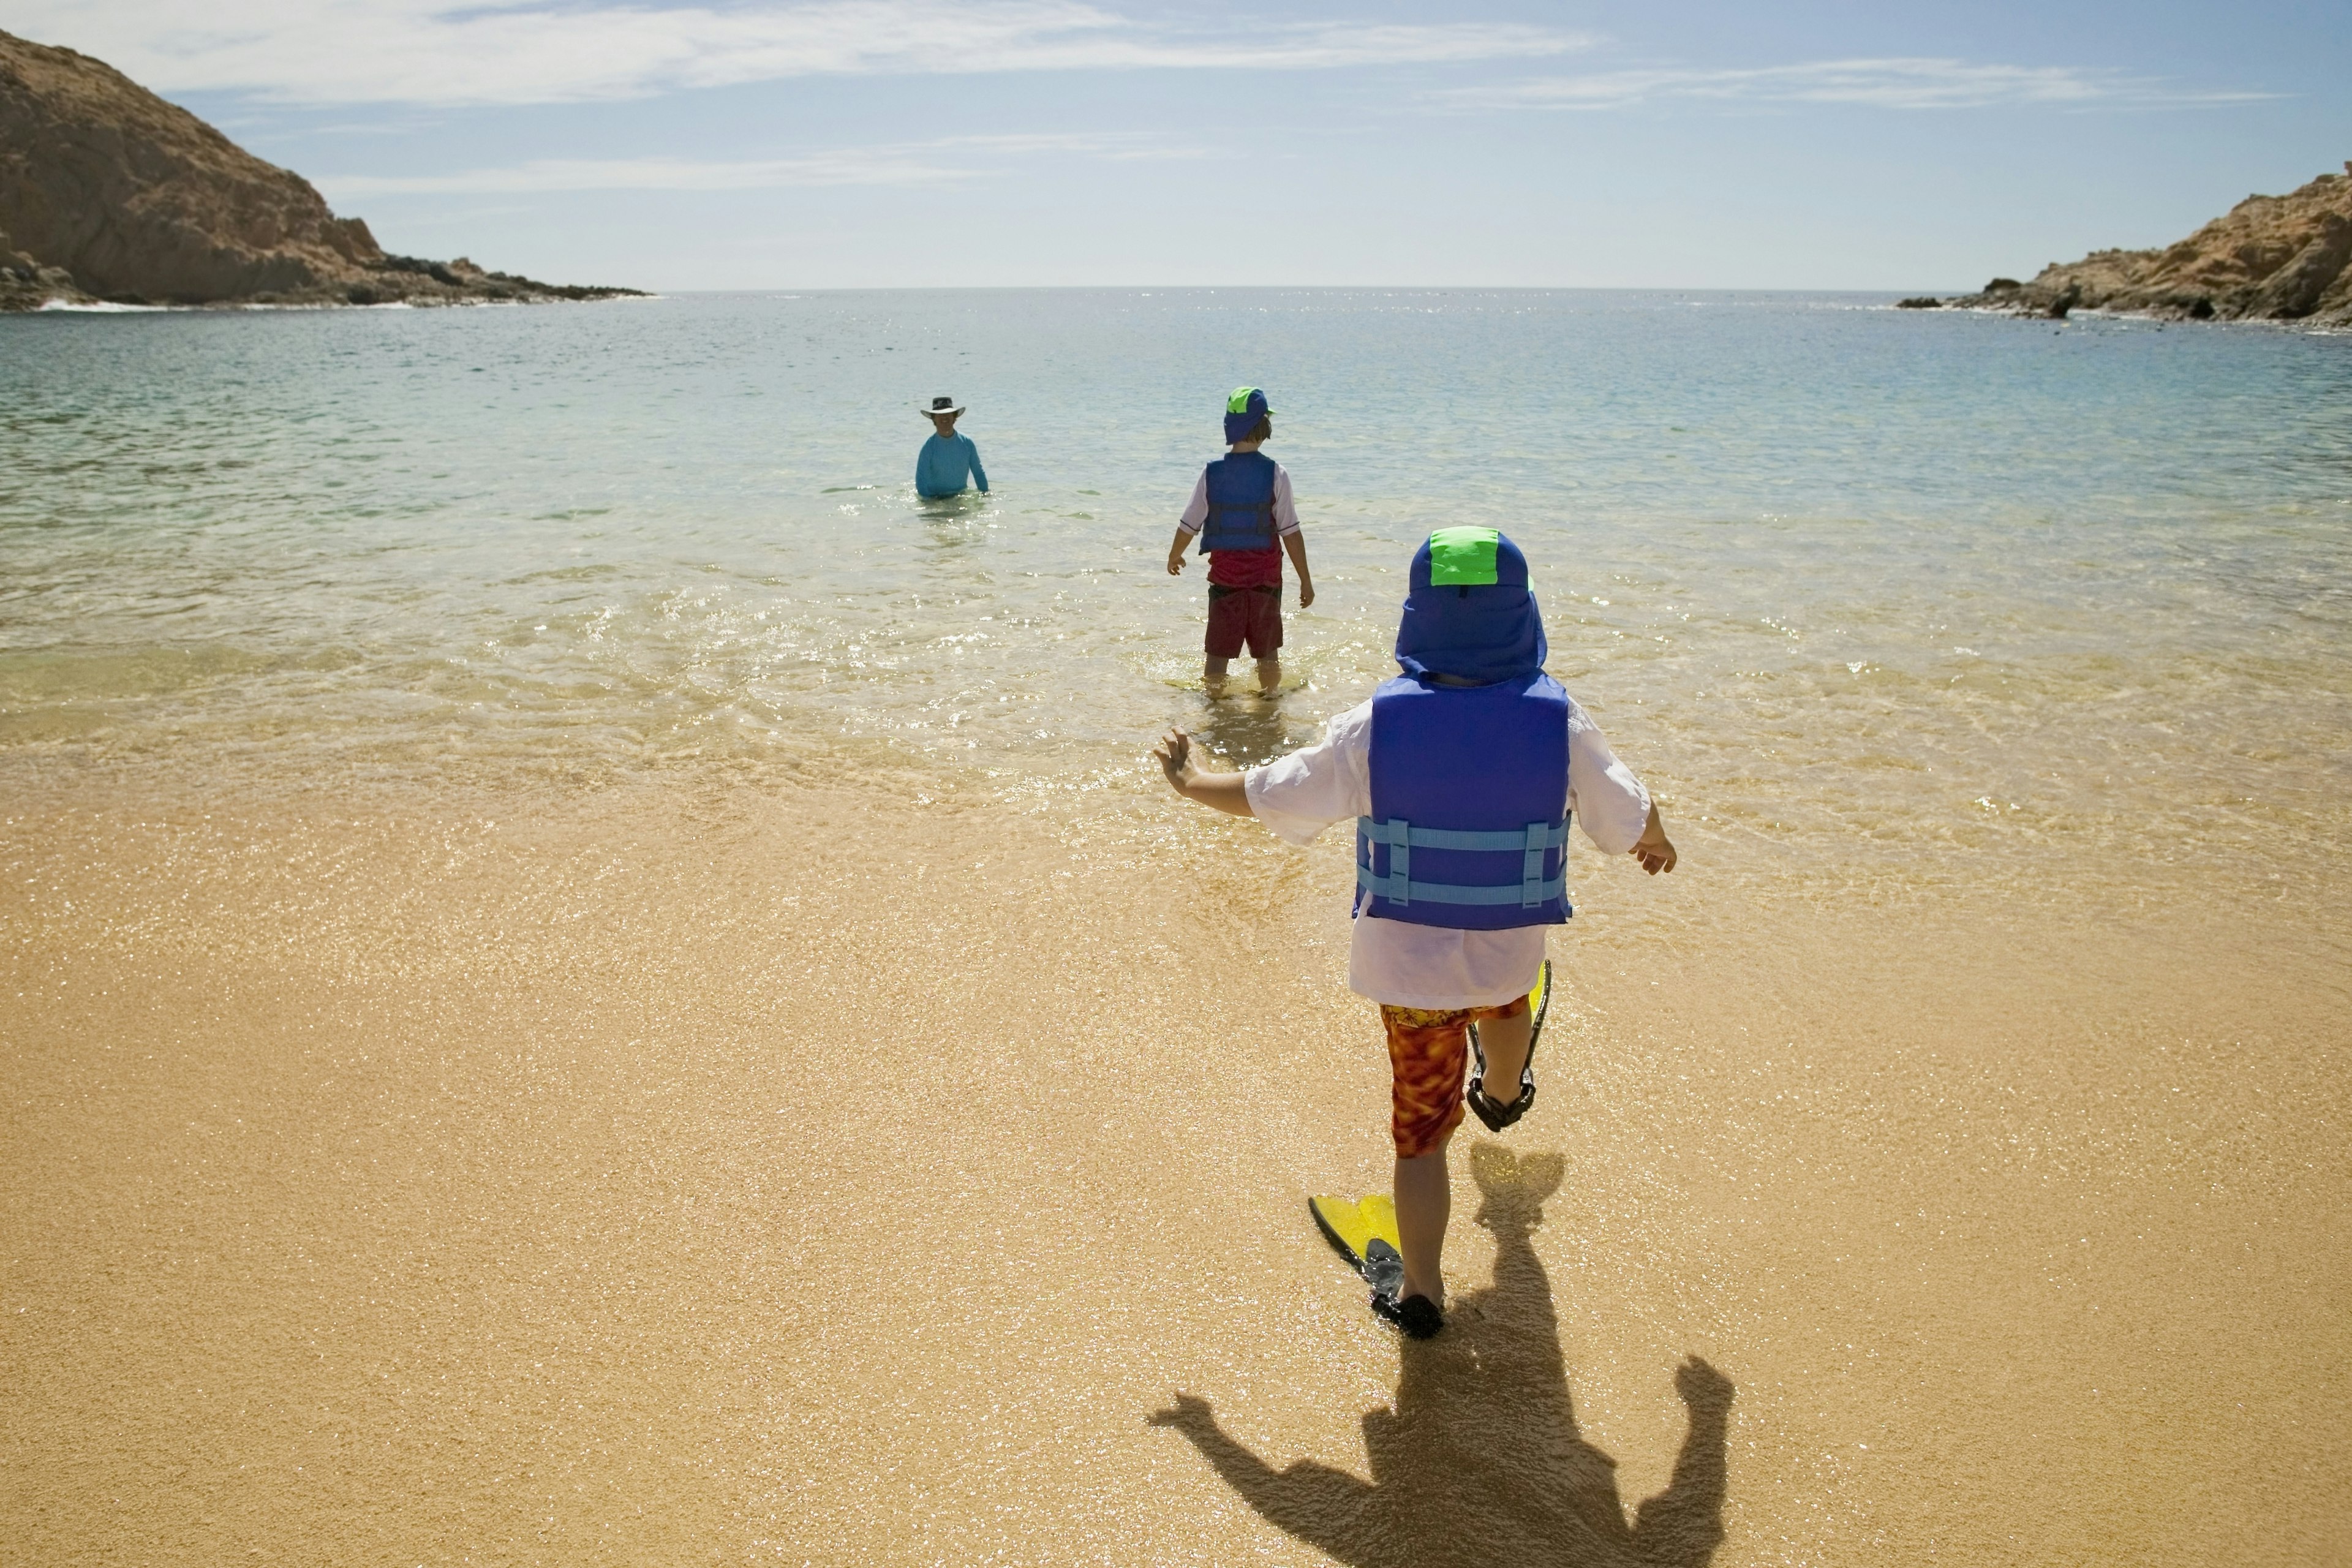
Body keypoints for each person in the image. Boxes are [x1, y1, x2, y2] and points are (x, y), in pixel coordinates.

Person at [1151, 527, 1677, 1339]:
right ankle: (1503, 1096)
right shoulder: (1558, 719)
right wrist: (1656, 836)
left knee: (1421, 1138)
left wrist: (1191, 783)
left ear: (1416, 620)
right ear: (1523, 617)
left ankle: (1423, 1291)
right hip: (1507, 952)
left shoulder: (1377, 725)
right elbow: (1625, 812)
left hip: (1409, 983)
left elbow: (1274, 792)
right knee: (1509, 1001)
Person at [1165, 386, 1314, 698]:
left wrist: (1174, 555)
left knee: (1217, 656)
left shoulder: (1211, 474)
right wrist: (1305, 580)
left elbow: (1189, 523)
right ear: (1264, 427)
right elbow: (1291, 532)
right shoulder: (1277, 474)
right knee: (1267, 653)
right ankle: (1270, 702)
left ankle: (1216, 707)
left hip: (1225, 582)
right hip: (1266, 582)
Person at [916, 396, 989, 498]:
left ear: (954, 417)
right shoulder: (928, 448)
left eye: (948, 414)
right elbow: (921, 480)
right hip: (936, 498)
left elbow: (978, 473)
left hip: (960, 496)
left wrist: (985, 496)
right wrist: (930, 504)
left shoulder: (967, 443)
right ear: (934, 419)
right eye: (940, 415)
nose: (944, 417)